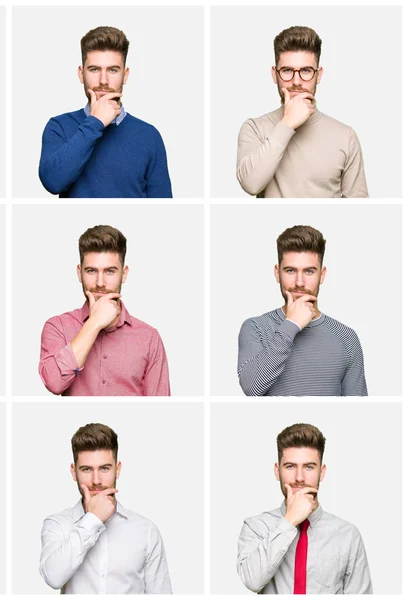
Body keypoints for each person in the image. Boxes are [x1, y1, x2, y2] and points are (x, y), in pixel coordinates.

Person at [237, 423, 372, 594]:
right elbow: (252, 581)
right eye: (290, 466)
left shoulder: (348, 535)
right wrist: (290, 520)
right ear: (277, 471)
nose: (299, 477)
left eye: (309, 467)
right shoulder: (256, 527)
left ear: (321, 472)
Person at [39, 26, 172, 198]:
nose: (103, 80)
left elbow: (161, 208)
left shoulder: (149, 136)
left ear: (125, 75)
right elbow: (53, 182)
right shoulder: (59, 127)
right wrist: (95, 121)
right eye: (94, 69)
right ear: (81, 74)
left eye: (113, 70)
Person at [236, 26, 368, 198]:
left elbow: (357, 207)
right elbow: (251, 184)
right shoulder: (254, 129)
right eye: (287, 71)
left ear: (318, 75)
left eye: (306, 71)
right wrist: (287, 123)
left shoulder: (346, 136)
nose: (296, 81)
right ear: (274, 74)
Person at [40, 423, 172, 593]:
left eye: (104, 468)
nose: (96, 480)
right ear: (74, 472)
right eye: (86, 469)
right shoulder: (57, 524)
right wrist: (93, 519)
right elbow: (53, 577)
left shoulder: (146, 530)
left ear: (117, 470)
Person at [39, 225, 170, 395]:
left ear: (124, 274)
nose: (100, 282)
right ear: (79, 273)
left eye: (110, 271)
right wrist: (94, 323)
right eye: (91, 271)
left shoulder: (149, 338)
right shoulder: (58, 327)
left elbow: (158, 409)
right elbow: (55, 383)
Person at [237, 225, 367, 396]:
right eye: (290, 270)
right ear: (277, 273)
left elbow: (355, 409)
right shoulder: (256, 328)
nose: (299, 282)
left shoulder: (346, 337)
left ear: (322, 275)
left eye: (309, 271)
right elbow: (251, 389)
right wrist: (291, 325)